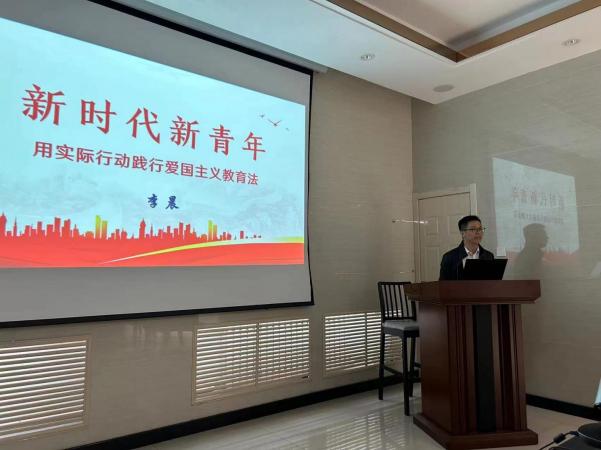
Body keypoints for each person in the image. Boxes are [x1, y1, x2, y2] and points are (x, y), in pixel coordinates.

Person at [439, 215, 494, 280]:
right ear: (463, 233)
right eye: (473, 229)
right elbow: (443, 284)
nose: (478, 232)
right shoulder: (449, 258)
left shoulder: (488, 256)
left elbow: (492, 282)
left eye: (480, 229)